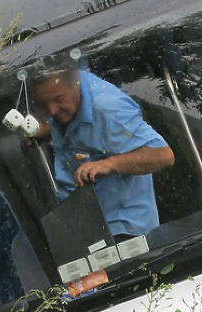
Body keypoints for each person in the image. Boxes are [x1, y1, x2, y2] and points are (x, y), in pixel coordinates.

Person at [31, 67, 175, 240]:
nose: (52, 111)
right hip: (85, 224)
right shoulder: (66, 89)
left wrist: (109, 164)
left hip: (124, 230)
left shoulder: (109, 110)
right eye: (44, 104)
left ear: (76, 83)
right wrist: (48, 130)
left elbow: (164, 156)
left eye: (58, 99)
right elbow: (88, 134)